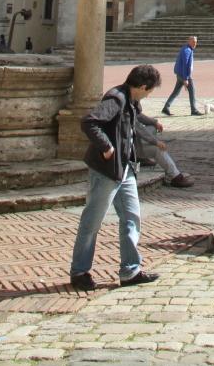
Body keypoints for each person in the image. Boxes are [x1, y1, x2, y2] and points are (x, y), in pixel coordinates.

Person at [70, 63, 163, 290]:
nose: (150, 94)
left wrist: (153, 124)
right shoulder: (116, 99)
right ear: (142, 86)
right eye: (150, 90)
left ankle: (130, 270)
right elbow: (89, 122)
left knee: (132, 217)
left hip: (126, 169)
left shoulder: (132, 101)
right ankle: (79, 271)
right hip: (106, 171)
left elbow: (136, 122)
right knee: (92, 221)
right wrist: (106, 147)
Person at [135, 117, 193, 188]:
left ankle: (141, 157)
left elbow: (137, 115)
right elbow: (138, 127)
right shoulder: (123, 108)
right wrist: (155, 142)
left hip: (133, 137)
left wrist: (154, 122)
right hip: (128, 146)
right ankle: (174, 176)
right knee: (158, 149)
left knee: (152, 127)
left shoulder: (129, 106)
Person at [161, 36, 202, 116]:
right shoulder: (187, 50)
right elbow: (185, 65)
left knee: (176, 92)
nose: (195, 43)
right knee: (192, 91)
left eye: (196, 42)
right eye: (193, 42)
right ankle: (194, 110)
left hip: (180, 74)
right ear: (189, 41)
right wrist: (185, 79)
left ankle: (166, 107)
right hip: (184, 75)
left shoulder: (187, 48)